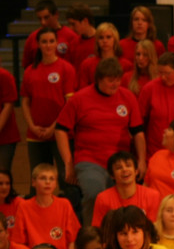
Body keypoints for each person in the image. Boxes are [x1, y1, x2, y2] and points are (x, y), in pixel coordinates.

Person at [55, 57, 146, 224]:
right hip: (89, 159)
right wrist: (68, 162)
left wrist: (141, 160)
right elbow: (60, 129)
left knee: (122, 199)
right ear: (98, 79)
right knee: (94, 193)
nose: (115, 84)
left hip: (119, 161)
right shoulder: (80, 98)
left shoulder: (128, 97)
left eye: (118, 80)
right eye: (111, 81)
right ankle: (93, 233)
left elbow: (138, 132)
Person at [20, 28, 76, 180]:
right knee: (38, 180)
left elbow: (69, 103)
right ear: (38, 44)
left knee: (67, 179)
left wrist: (54, 127)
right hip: (36, 134)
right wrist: (32, 126)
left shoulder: (66, 68)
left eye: (52, 41)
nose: (48, 45)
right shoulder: (30, 71)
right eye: (44, 42)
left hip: (61, 134)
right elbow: (25, 102)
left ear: (57, 43)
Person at [13, 163, 80, 249]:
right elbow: (19, 242)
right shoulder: (24, 206)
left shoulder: (64, 204)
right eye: (43, 178)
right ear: (33, 182)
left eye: (52, 179)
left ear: (56, 184)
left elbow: (73, 239)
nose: (47, 182)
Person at [91, 151, 162, 226]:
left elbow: (153, 228)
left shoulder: (152, 196)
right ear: (112, 175)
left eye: (128, 166)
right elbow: (98, 229)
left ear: (136, 171)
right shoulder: (103, 199)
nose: (124, 170)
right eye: (119, 168)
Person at [22, 0, 79, 70]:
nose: (43, 22)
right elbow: (27, 66)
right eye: (40, 19)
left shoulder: (71, 36)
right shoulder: (33, 37)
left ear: (56, 15)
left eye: (46, 17)